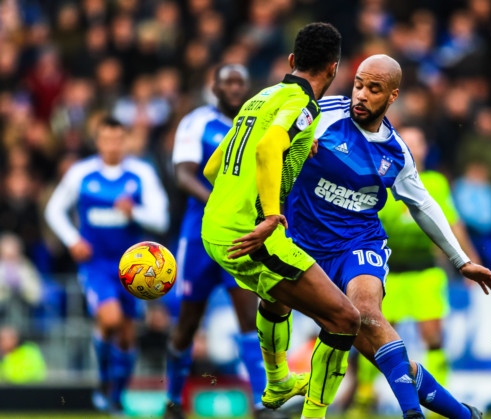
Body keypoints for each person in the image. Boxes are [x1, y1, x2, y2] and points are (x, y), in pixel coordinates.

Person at [285, 54, 491, 419]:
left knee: (366, 312)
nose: (361, 95)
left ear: (392, 96)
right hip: (306, 246)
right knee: (384, 355)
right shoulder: (321, 115)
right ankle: (466, 416)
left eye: (373, 89)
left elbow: (424, 206)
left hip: (359, 243)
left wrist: (462, 261)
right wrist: (293, 142)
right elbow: (272, 136)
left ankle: (411, 415)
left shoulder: (395, 153)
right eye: (358, 85)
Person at [201, 22, 361, 419]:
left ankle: (277, 383)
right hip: (250, 233)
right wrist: (272, 212)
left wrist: (298, 147)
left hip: (215, 228)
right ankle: (314, 415)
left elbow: (212, 167)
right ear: (333, 69)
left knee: (276, 297)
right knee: (345, 318)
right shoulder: (303, 105)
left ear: (292, 61)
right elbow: (272, 144)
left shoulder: (262, 97)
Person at [164, 63, 286, 419]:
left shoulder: (257, 123)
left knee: (250, 316)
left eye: (240, 82)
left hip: (240, 233)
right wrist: (220, 203)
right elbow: (183, 175)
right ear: (214, 88)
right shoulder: (196, 123)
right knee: (187, 321)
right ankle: (172, 400)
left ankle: (265, 405)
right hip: (199, 234)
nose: (234, 88)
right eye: (228, 82)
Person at [347, 126, 482, 414]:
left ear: (424, 149)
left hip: (424, 272)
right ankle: (365, 395)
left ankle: (440, 400)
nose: (412, 147)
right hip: (388, 271)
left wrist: (469, 258)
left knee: (433, 336)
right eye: (406, 142)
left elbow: (451, 223)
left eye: (417, 142)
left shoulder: (435, 183)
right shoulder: (378, 180)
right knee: (377, 333)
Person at [45, 116, 169, 415]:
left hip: (132, 268)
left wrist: (134, 211)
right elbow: (54, 209)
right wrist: (73, 239)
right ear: (98, 141)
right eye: (106, 139)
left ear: (125, 141)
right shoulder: (81, 173)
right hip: (96, 264)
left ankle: (116, 395)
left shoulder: (141, 173)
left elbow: (161, 218)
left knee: (127, 336)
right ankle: (103, 382)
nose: (112, 144)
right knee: (110, 320)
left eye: (118, 139)